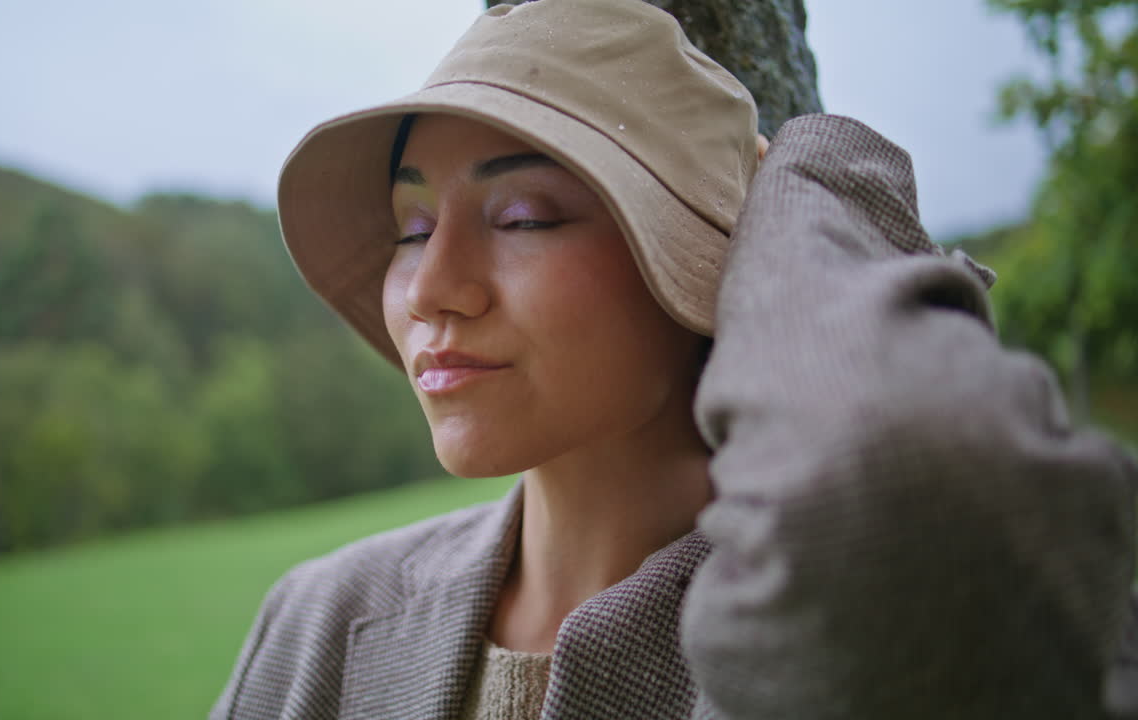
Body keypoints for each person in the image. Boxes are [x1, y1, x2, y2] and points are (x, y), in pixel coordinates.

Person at [211, 0, 1138, 718]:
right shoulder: (319, 622)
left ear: (710, 269)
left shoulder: (868, 617)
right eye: (411, 230)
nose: (430, 287)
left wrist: (805, 177)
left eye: (525, 217)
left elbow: (911, 469)